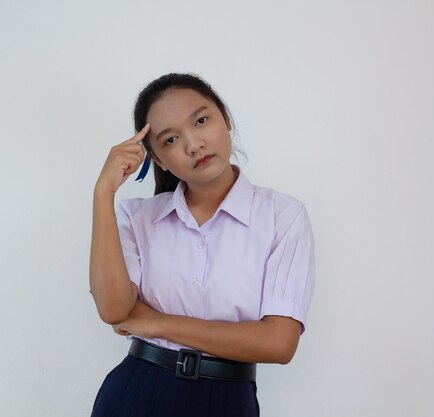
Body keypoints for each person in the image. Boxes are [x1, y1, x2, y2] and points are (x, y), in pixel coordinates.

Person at [89, 73, 315, 417]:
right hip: (137, 392)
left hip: (227, 400)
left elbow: (279, 343)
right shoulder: (137, 218)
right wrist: (103, 193)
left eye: (202, 120)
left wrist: (153, 323)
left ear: (225, 118)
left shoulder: (282, 216)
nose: (193, 144)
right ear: (159, 160)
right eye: (170, 140)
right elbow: (113, 310)